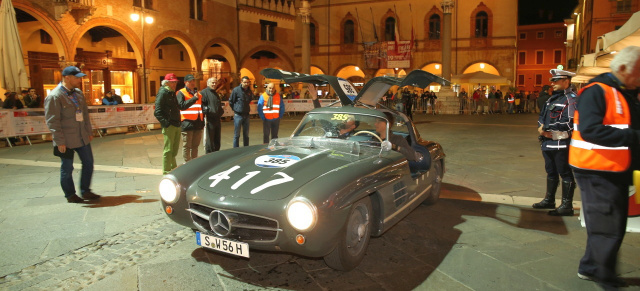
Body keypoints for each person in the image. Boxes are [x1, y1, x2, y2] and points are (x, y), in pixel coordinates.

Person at [568, 46, 640, 290]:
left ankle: (590, 267)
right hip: (596, 168)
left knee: (608, 223)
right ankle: (604, 277)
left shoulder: (625, 91)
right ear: (621, 69)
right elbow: (590, 130)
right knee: (609, 227)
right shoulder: (597, 91)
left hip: (615, 167)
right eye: (638, 73)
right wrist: (634, 137)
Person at [44, 66, 100, 203]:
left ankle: (85, 191)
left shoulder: (78, 93)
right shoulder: (54, 96)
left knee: (88, 163)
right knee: (67, 167)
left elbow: (85, 114)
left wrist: (88, 131)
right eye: (76, 78)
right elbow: (53, 121)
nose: (79, 80)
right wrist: (59, 141)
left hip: (81, 136)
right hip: (66, 139)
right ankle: (70, 194)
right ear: (67, 78)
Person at [532, 69, 577, 216]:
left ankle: (566, 205)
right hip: (547, 143)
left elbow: (570, 123)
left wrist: (548, 129)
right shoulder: (551, 99)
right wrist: (541, 128)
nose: (553, 83)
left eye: (556, 81)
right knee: (550, 172)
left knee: (565, 173)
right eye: (552, 81)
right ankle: (549, 199)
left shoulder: (571, 99)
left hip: (561, 143)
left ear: (566, 81)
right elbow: (542, 116)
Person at [154, 73, 181, 174]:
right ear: (166, 83)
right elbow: (157, 112)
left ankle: (173, 168)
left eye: (175, 82)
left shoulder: (171, 92)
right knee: (168, 149)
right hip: (170, 125)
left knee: (174, 149)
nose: (174, 84)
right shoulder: (163, 92)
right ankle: (166, 171)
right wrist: (166, 123)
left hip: (176, 123)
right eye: (172, 82)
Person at [177, 74, 203, 162]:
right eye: (190, 81)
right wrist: (193, 99)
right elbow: (181, 106)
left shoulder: (198, 93)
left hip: (198, 123)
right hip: (187, 122)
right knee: (187, 146)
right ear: (185, 82)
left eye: (193, 81)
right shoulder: (181, 92)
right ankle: (187, 163)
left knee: (195, 145)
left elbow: (200, 107)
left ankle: (194, 162)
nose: (192, 83)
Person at [201, 77, 224, 154]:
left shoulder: (215, 93)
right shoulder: (204, 93)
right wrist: (208, 111)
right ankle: (209, 155)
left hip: (217, 119)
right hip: (209, 119)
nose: (214, 84)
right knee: (209, 140)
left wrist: (220, 111)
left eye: (215, 83)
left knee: (217, 139)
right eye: (212, 83)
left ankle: (216, 153)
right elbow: (202, 105)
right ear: (208, 83)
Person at [229, 76, 253, 147]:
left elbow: (250, 99)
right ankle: (236, 149)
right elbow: (231, 101)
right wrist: (235, 109)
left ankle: (246, 148)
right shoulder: (236, 90)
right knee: (237, 135)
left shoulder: (249, 91)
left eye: (248, 82)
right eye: (245, 82)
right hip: (238, 115)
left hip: (246, 115)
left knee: (246, 134)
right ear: (241, 82)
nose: (246, 84)